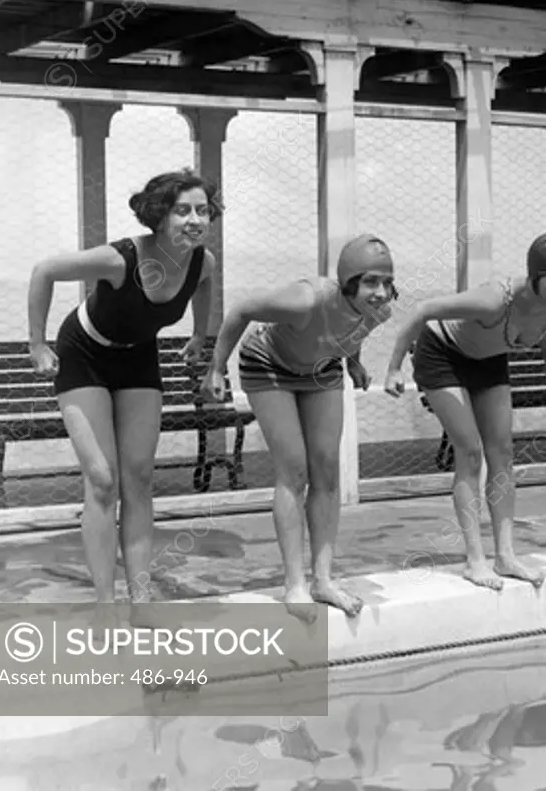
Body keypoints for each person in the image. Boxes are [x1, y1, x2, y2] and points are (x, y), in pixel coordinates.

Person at [27, 168, 219, 629]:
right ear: (160, 216)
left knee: (139, 478)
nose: (195, 220)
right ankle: (104, 602)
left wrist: (198, 334)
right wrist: (37, 344)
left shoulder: (202, 262)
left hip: (137, 359)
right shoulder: (122, 259)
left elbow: (206, 287)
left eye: (203, 211)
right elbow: (45, 270)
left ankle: (141, 597)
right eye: (183, 210)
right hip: (84, 354)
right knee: (102, 479)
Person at [201, 234, 397, 622]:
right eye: (370, 282)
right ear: (348, 281)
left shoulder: (381, 311)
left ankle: (323, 579)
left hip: (321, 368)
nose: (380, 292)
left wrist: (354, 363)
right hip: (268, 364)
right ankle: (295, 584)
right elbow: (242, 310)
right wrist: (216, 368)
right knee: (295, 470)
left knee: (326, 469)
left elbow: (350, 332)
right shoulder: (308, 299)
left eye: (386, 282)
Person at [383, 232, 546, 591]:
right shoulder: (493, 299)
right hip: (442, 354)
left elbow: (543, 326)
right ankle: (475, 560)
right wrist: (394, 368)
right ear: (535, 276)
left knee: (503, 452)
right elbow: (423, 311)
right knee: (470, 452)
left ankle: (505, 556)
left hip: (487, 360)